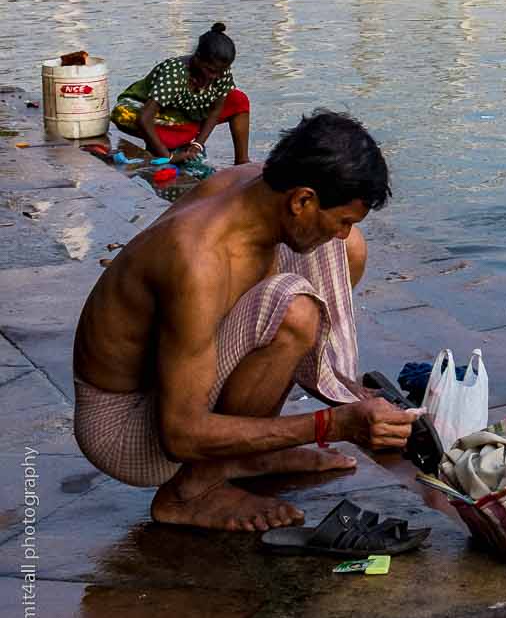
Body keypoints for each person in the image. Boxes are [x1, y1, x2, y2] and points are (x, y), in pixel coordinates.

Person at [71, 110, 417, 532]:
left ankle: (249, 452)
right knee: (294, 311)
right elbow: (178, 433)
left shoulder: (257, 183)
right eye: (342, 219)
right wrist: (331, 424)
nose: (343, 230)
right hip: (126, 428)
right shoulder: (199, 260)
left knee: (345, 252)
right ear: (302, 200)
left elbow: (338, 242)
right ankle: (194, 490)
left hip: (170, 383)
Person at [112, 22, 253, 165]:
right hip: (141, 110)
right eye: (210, 70)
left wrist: (197, 145)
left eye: (221, 72)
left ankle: (242, 161)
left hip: (186, 112)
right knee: (173, 134)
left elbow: (216, 110)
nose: (215, 77)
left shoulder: (221, 71)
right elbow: (144, 118)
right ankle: (167, 147)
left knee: (238, 100)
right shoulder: (175, 73)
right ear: (197, 59)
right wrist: (169, 157)